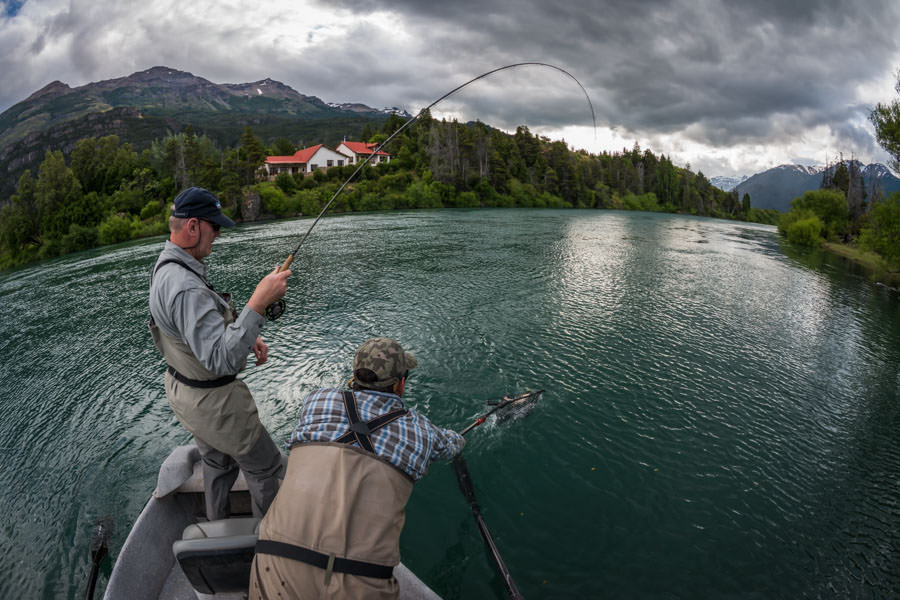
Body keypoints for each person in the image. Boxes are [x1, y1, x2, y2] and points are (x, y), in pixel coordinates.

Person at [250, 337, 465, 600]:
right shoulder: (420, 430)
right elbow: (452, 445)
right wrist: (458, 439)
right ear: (401, 384)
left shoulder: (317, 400)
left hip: (275, 559)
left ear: (355, 376)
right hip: (361, 580)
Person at [149, 186, 291, 520]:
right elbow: (220, 359)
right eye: (216, 227)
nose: (219, 234)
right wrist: (258, 302)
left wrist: (242, 333)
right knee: (266, 469)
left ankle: (216, 524)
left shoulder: (166, 267)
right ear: (194, 226)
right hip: (218, 407)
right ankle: (271, 553)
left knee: (216, 461)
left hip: (188, 396)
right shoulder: (185, 286)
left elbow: (195, 336)